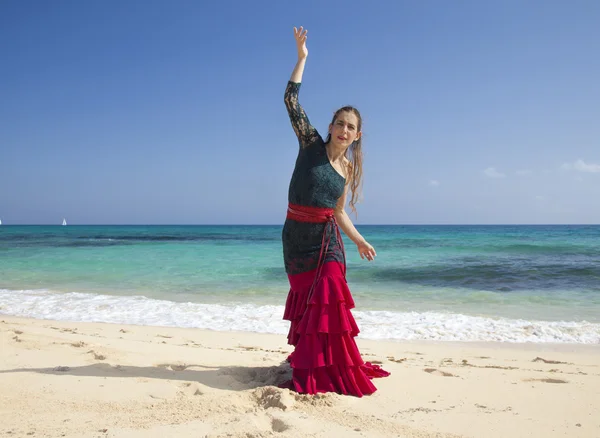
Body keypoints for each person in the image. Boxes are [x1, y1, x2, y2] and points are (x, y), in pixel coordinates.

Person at [281, 26, 390, 397]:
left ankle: (329, 368)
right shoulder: (310, 145)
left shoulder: (348, 170)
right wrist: (303, 58)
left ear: (357, 136)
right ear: (330, 127)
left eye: (351, 126)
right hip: (297, 239)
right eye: (340, 123)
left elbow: (339, 212)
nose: (344, 129)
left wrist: (359, 240)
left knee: (330, 292)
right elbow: (290, 101)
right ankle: (309, 358)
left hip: (327, 242)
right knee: (307, 304)